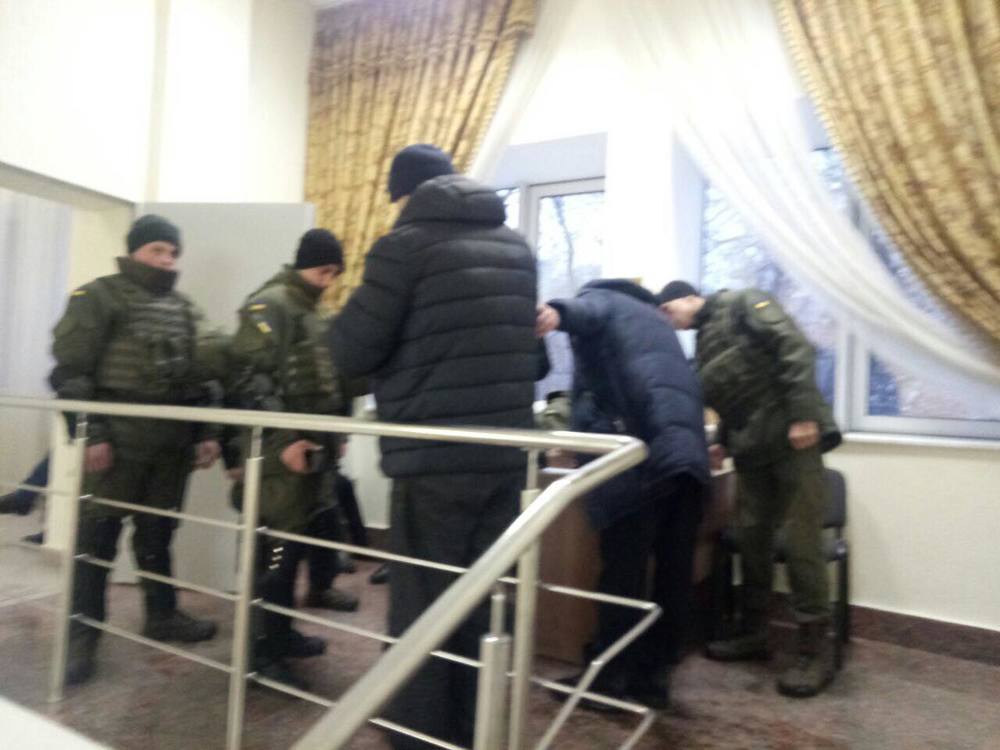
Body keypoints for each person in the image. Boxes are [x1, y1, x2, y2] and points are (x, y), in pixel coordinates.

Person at [328, 144, 538, 750]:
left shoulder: (405, 246)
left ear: (405, 193)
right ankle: (473, 728)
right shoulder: (516, 247)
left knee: (423, 601)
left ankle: (417, 734)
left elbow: (351, 350)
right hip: (504, 453)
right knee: (481, 599)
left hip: (434, 455)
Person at [49, 214, 225, 686]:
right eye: (157, 250)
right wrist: (92, 434)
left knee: (157, 536)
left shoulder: (185, 309)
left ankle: (162, 615)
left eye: (173, 252)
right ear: (134, 251)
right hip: (117, 444)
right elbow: (70, 373)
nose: (167, 260)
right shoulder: (97, 297)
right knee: (96, 541)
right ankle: (82, 636)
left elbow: (204, 380)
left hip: (170, 446)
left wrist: (207, 432)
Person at [657, 280, 842, 698]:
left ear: (688, 297)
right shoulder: (705, 342)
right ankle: (754, 632)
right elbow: (736, 397)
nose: (670, 322)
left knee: (801, 542)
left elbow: (795, 347)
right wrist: (722, 440)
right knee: (752, 539)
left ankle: (815, 654)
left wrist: (803, 415)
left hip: (793, 442)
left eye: (668, 311)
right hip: (752, 451)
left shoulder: (743, 303)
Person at [536, 279, 710, 710]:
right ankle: (653, 679)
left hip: (638, 459)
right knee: (672, 574)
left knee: (623, 573)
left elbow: (584, 313)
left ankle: (609, 678)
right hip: (686, 460)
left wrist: (556, 312)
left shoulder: (603, 300)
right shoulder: (657, 322)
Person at [228, 228, 359, 690]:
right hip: (279, 454)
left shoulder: (313, 312)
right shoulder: (270, 305)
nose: (329, 280)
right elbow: (249, 379)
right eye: (324, 270)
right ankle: (259, 653)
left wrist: (338, 433)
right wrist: (284, 438)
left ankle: (280, 635)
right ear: (305, 263)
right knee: (276, 554)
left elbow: (329, 381)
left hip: (311, 450)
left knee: (294, 547)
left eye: (335, 273)